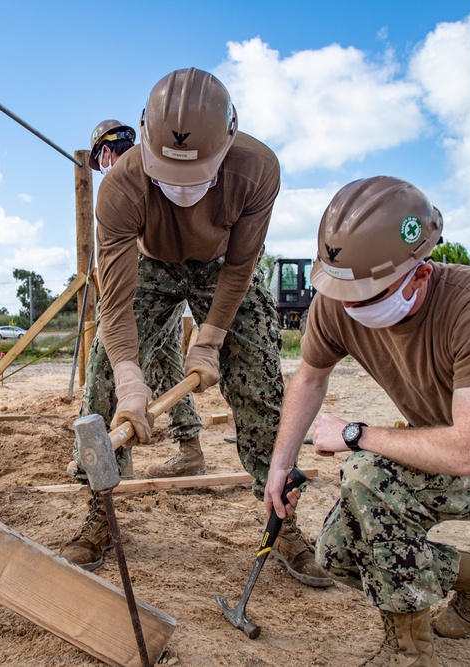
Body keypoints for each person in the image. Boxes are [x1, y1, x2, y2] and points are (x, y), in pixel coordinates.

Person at [61, 68, 332, 590]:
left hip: (223, 265)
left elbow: (241, 267)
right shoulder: (119, 189)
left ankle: (284, 522)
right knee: (101, 381)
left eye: (197, 177)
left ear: (228, 140)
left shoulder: (257, 170)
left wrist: (208, 341)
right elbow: (114, 304)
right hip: (152, 264)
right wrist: (129, 377)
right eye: (169, 177)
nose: (183, 191)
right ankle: (100, 512)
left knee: (260, 385)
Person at [264, 176, 470, 665]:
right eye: (344, 293)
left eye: (367, 296)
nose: (349, 307)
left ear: (419, 275)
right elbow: (310, 377)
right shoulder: (340, 298)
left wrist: (355, 435)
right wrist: (279, 466)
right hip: (440, 444)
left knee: (365, 475)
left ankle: (407, 651)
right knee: (338, 551)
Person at [86, 119, 205, 479]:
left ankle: (105, 462)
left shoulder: (119, 183)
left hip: (149, 282)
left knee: (109, 362)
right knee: (167, 364)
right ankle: (190, 448)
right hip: (180, 277)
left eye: (101, 161)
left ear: (105, 153)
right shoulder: (158, 168)